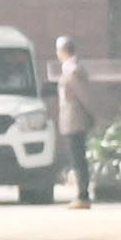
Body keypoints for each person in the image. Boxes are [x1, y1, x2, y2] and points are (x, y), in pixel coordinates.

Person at [50, 33, 92, 202]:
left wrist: (91, 114)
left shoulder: (72, 69)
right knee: (76, 157)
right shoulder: (70, 68)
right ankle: (81, 193)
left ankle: (83, 195)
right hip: (72, 120)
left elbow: (83, 96)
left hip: (75, 120)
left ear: (62, 51)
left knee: (78, 158)